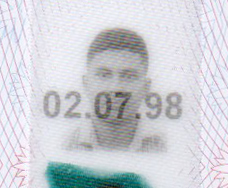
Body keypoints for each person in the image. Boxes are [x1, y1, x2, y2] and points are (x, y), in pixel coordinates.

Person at [60, 26, 172, 157]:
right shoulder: (61, 147)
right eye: (104, 75)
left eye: (128, 76)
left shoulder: (169, 149)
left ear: (146, 87)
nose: (115, 88)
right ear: (86, 84)